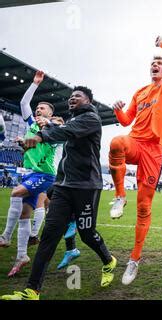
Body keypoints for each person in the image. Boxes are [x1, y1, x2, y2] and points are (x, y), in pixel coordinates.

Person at [1, 86, 117, 300]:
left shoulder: (92, 118)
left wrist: (41, 136)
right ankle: (31, 291)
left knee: (87, 234)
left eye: (77, 96)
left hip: (86, 186)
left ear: (88, 100)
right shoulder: (72, 120)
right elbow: (61, 131)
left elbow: (66, 132)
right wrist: (41, 133)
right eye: (71, 96)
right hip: (64, 186)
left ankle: (109, 261)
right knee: (49, 236)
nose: (72, 98)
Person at [108, 35, 162, 285]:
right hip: (136, 142)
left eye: (160, 63)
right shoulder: (140, 92)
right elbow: (126, 120)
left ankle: (134, 259)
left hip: (154, 150)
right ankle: (119, 195)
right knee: (117, 142)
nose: (155, 65)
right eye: (153, 62)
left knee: (144, 207)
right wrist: (118, 109)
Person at [0, 71, 57, 277]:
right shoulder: (31, 125)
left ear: (50, 114)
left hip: (44, 175)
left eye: (42, 107)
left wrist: (49, 124)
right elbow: (24, 104)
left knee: (15, 193)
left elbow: (54, 134)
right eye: (38, 107)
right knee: (25, 214)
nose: (37, 109)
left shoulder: (55, 128)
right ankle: (21, 255)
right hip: (28, 174)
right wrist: (34, 84)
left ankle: (5, 236)